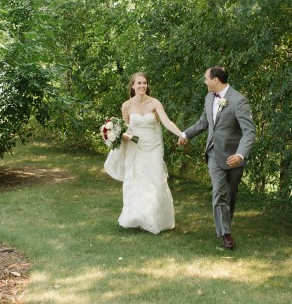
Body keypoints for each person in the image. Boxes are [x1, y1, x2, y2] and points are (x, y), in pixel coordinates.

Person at [178, 66, 256, 249]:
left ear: (215, 80)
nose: (205, 82)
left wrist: (240, 154)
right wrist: (185, 135)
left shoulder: (239, 100)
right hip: (213, 152)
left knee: (231, 193)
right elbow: (204, 122)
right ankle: (226, 234)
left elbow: (249, 131)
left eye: (206, 78)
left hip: (234, 155)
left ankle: (225, 223)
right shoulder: (208, 98)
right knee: (219, 192)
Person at [104, 72, 183, 234]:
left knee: (157, 180)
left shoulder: (154, 102)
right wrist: (122, 136)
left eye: (144, 83)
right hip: (136, 147)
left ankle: (156, 219)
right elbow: (125, 128)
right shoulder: (126, 105)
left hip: (153, 147)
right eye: (139, 83)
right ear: (133, 86)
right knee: (138, 180)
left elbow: (166, 122)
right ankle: (139, 217)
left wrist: (181, 134)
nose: (142, 86)